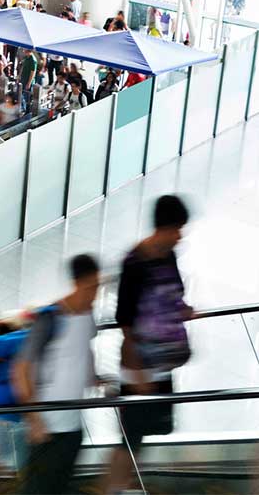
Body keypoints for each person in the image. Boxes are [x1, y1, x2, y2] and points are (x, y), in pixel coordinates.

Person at [104, 195, 193, 494]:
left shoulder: (167, 255)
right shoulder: (135, 262)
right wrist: (138, 371)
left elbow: (172, 294)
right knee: (131, 436)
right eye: (177, 228)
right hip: (138, 364)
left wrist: (181, 309)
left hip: (161, 362)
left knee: (144, 431)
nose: (180, 236)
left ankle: (127, 485)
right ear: (164, 227)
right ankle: (115, 487)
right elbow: (125, 320)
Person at [12, 254, 101, 494]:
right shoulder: (50, 317)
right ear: (78, 282)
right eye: (92, 286)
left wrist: (94, 377)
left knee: (60, 486)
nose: (95, 293)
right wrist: (33, 419)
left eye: (98, 286)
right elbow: (20, 369)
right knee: (38, 490)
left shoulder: (88, 315)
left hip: (72, 424)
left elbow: (85, 349)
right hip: (47, 427)